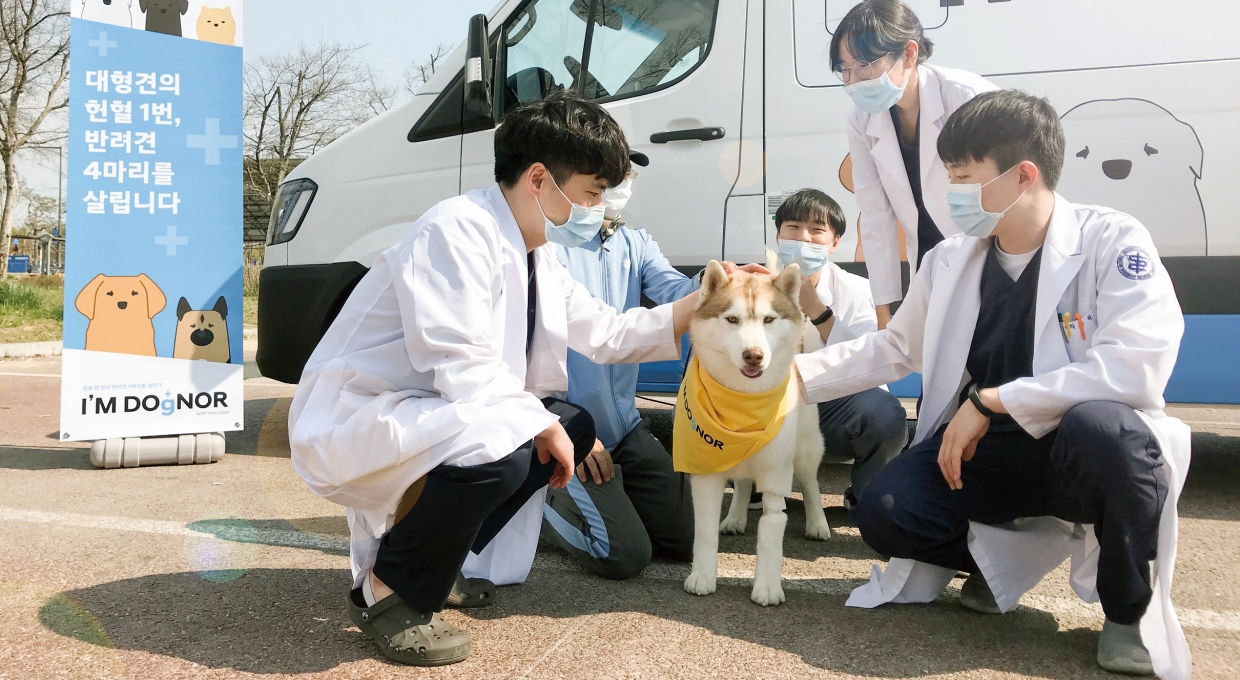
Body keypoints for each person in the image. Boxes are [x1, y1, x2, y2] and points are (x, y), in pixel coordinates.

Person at [287, 91, 701, 667]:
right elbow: (461, 363)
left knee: (570, 426)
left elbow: (606, 332)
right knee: (509, 445)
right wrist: (537, 423)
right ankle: (387, 592)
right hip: (365, 413)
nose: (598, 208)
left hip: (436, 410)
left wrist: (701, 303)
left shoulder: (537, 252)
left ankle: (437, 561)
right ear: (540, 179)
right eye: (591, 192)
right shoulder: (455, 229)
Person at [793, 90, 1190, 677]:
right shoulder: (951, 260)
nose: (950, 192)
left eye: (962, 176)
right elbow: (896, 347)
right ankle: (997, 556)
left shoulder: (1113, 241)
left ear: (1022, 175)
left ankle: (1128, 612)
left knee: (1109, 430)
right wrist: (792, 379)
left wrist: (993, 400)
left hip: (1074, 446)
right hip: (989, 449)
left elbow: (1135, 366)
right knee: (884, 509)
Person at [541, 163, 698, 579]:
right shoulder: (548, 246)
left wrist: (718, 280)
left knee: (686, 542)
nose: (616, 187)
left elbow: (677, 293)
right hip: (568, 428)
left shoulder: (636, 242)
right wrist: (567, 426)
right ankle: (539, 506)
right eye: (606, 178)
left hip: (625, 427)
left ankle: (608, 500)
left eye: (627, 177)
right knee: (624, 555)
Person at [831, 0, 998, 328]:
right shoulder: (862, 119)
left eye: (864, 65)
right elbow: (875, 212)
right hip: (929, 256)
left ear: (908, 54)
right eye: (845, 70)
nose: (853, 82)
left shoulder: (967, 98)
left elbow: (1002, 194)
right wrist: (883, 306)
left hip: (988, 250)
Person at [772, 189, 908, 507]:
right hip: (766, 408)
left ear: (834, 243)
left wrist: (818, 311)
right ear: (778, 235)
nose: (804, 238)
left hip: (829, 411)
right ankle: (751, 485)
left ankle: (866, 499)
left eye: (817, 230)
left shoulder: (860, 291)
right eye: (793, 227)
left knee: (884, 414)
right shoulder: (758, 284)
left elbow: (868, 362)